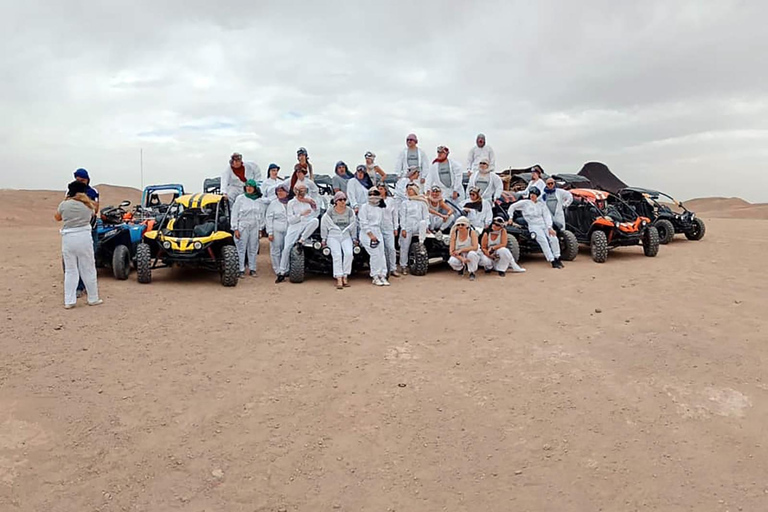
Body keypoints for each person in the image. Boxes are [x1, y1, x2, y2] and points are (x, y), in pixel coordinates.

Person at [55, 181, 102, 309]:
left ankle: (69, 301)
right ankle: (93, 298)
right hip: (84, 237)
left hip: (68, 238)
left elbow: (57, 217)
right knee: (88, 268)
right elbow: (94, 214)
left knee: (70, 271)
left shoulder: (64, 205)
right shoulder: (88, 205)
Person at [507, 188, 564, 268]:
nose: (532, 196)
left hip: (543, 225)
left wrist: (549, 227)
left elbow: (547, 216)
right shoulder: (525, 203)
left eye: (534, 195)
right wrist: (510, 217)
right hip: (534, 225)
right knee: (543, 241)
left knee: (553, 238)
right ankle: (552, 260)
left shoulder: (541, 205)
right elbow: (512, 207)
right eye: (531, 194)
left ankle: (557, 257)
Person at [277, 182, 320, 282]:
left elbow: (315, 213)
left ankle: (302, 240)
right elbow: (290, 220)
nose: (302, 192)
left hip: (306, 225)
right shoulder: (291, 203)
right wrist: (301, 214)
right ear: (295, 191)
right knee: (287, 248)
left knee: (315, 221)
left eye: (303, 190)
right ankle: (282, 271)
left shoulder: (309, 200)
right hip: (295, 226)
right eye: (300, 190)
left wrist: (310, 203)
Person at [321, 191, 358, 289]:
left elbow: (354, 225)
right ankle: (339, 277)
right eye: (340, 200)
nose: (342, 202)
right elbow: (324, 225)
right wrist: (323, 239)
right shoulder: (329, 212)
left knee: (349, 254)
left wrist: (354, 238)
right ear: (336, 201)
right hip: (333, 235)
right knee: (337, 255)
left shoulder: (350, 211)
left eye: (344, 199)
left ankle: (345, 275)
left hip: (346, 235)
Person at [232, 180, 267, 277]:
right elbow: (234, 214)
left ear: (255, 188)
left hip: (255, 225)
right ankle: (241, 269)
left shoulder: (259, 200)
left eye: (251, 186)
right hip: (243, 225)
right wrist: (235, 228)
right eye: (247, 186)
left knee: (253, 248)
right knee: (241, 248)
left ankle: (252, 268)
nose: (249, 188)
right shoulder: (240, 199)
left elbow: (262, 214)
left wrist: (260, 228)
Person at [358, 188, 390, 286]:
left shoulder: (380, 208)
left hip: (378, 231)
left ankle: (382, 275)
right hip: (367, 233)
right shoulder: (364, 207)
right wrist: (371, 235)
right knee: (375, 254)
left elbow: (382, 222)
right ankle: (375, 276)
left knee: (381, 254)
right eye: (370, 194)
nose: (372, 196)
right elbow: (363, 222)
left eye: (374, 194)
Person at [398, 183, 429, 275]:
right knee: (404, 246)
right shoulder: (405, 203)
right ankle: (403, 265)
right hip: (408, 226)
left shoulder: (422, 202)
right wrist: (403, 228)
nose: (409, 191)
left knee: (420, 244)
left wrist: (426, 226)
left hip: (419, 225)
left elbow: (426, 216)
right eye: (408, 190)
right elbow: (402, 216)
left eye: (411, 189)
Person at [266, 182, 290, 282]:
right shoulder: (273, 204)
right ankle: (278, 269)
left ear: (287, 192)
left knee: (286, 249)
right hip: (276, 229)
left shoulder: (291, 202)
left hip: (289, 229)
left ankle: (286, 268)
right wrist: (270, 232)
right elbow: (269, 218)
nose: (280, 193)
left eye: (282, 191)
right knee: (276, 249)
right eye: (278, 191)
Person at [377, 183, 400, 278]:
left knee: (391, 248)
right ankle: (381, 269)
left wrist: (396, 227)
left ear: (385, 190)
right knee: (380, 249)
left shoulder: (391, 201)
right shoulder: (375, 200)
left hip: (388, 227)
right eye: (378, 189)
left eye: (381, 189)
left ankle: (393, 268)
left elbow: (395, 215)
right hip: (378, 227)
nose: (380, 190)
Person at [448, 216, 480, 281]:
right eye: (458, 225)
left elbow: (475, 247)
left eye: (462, 224)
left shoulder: (472, 232)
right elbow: (451, 251)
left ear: (467, 225)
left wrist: (461, 250)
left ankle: (472, 272)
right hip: (460, 254)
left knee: (472, 254)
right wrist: (461, 258)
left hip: (471, 252)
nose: (460, 226)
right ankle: (461, 268)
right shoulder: (454, 234)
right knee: (452, 261)